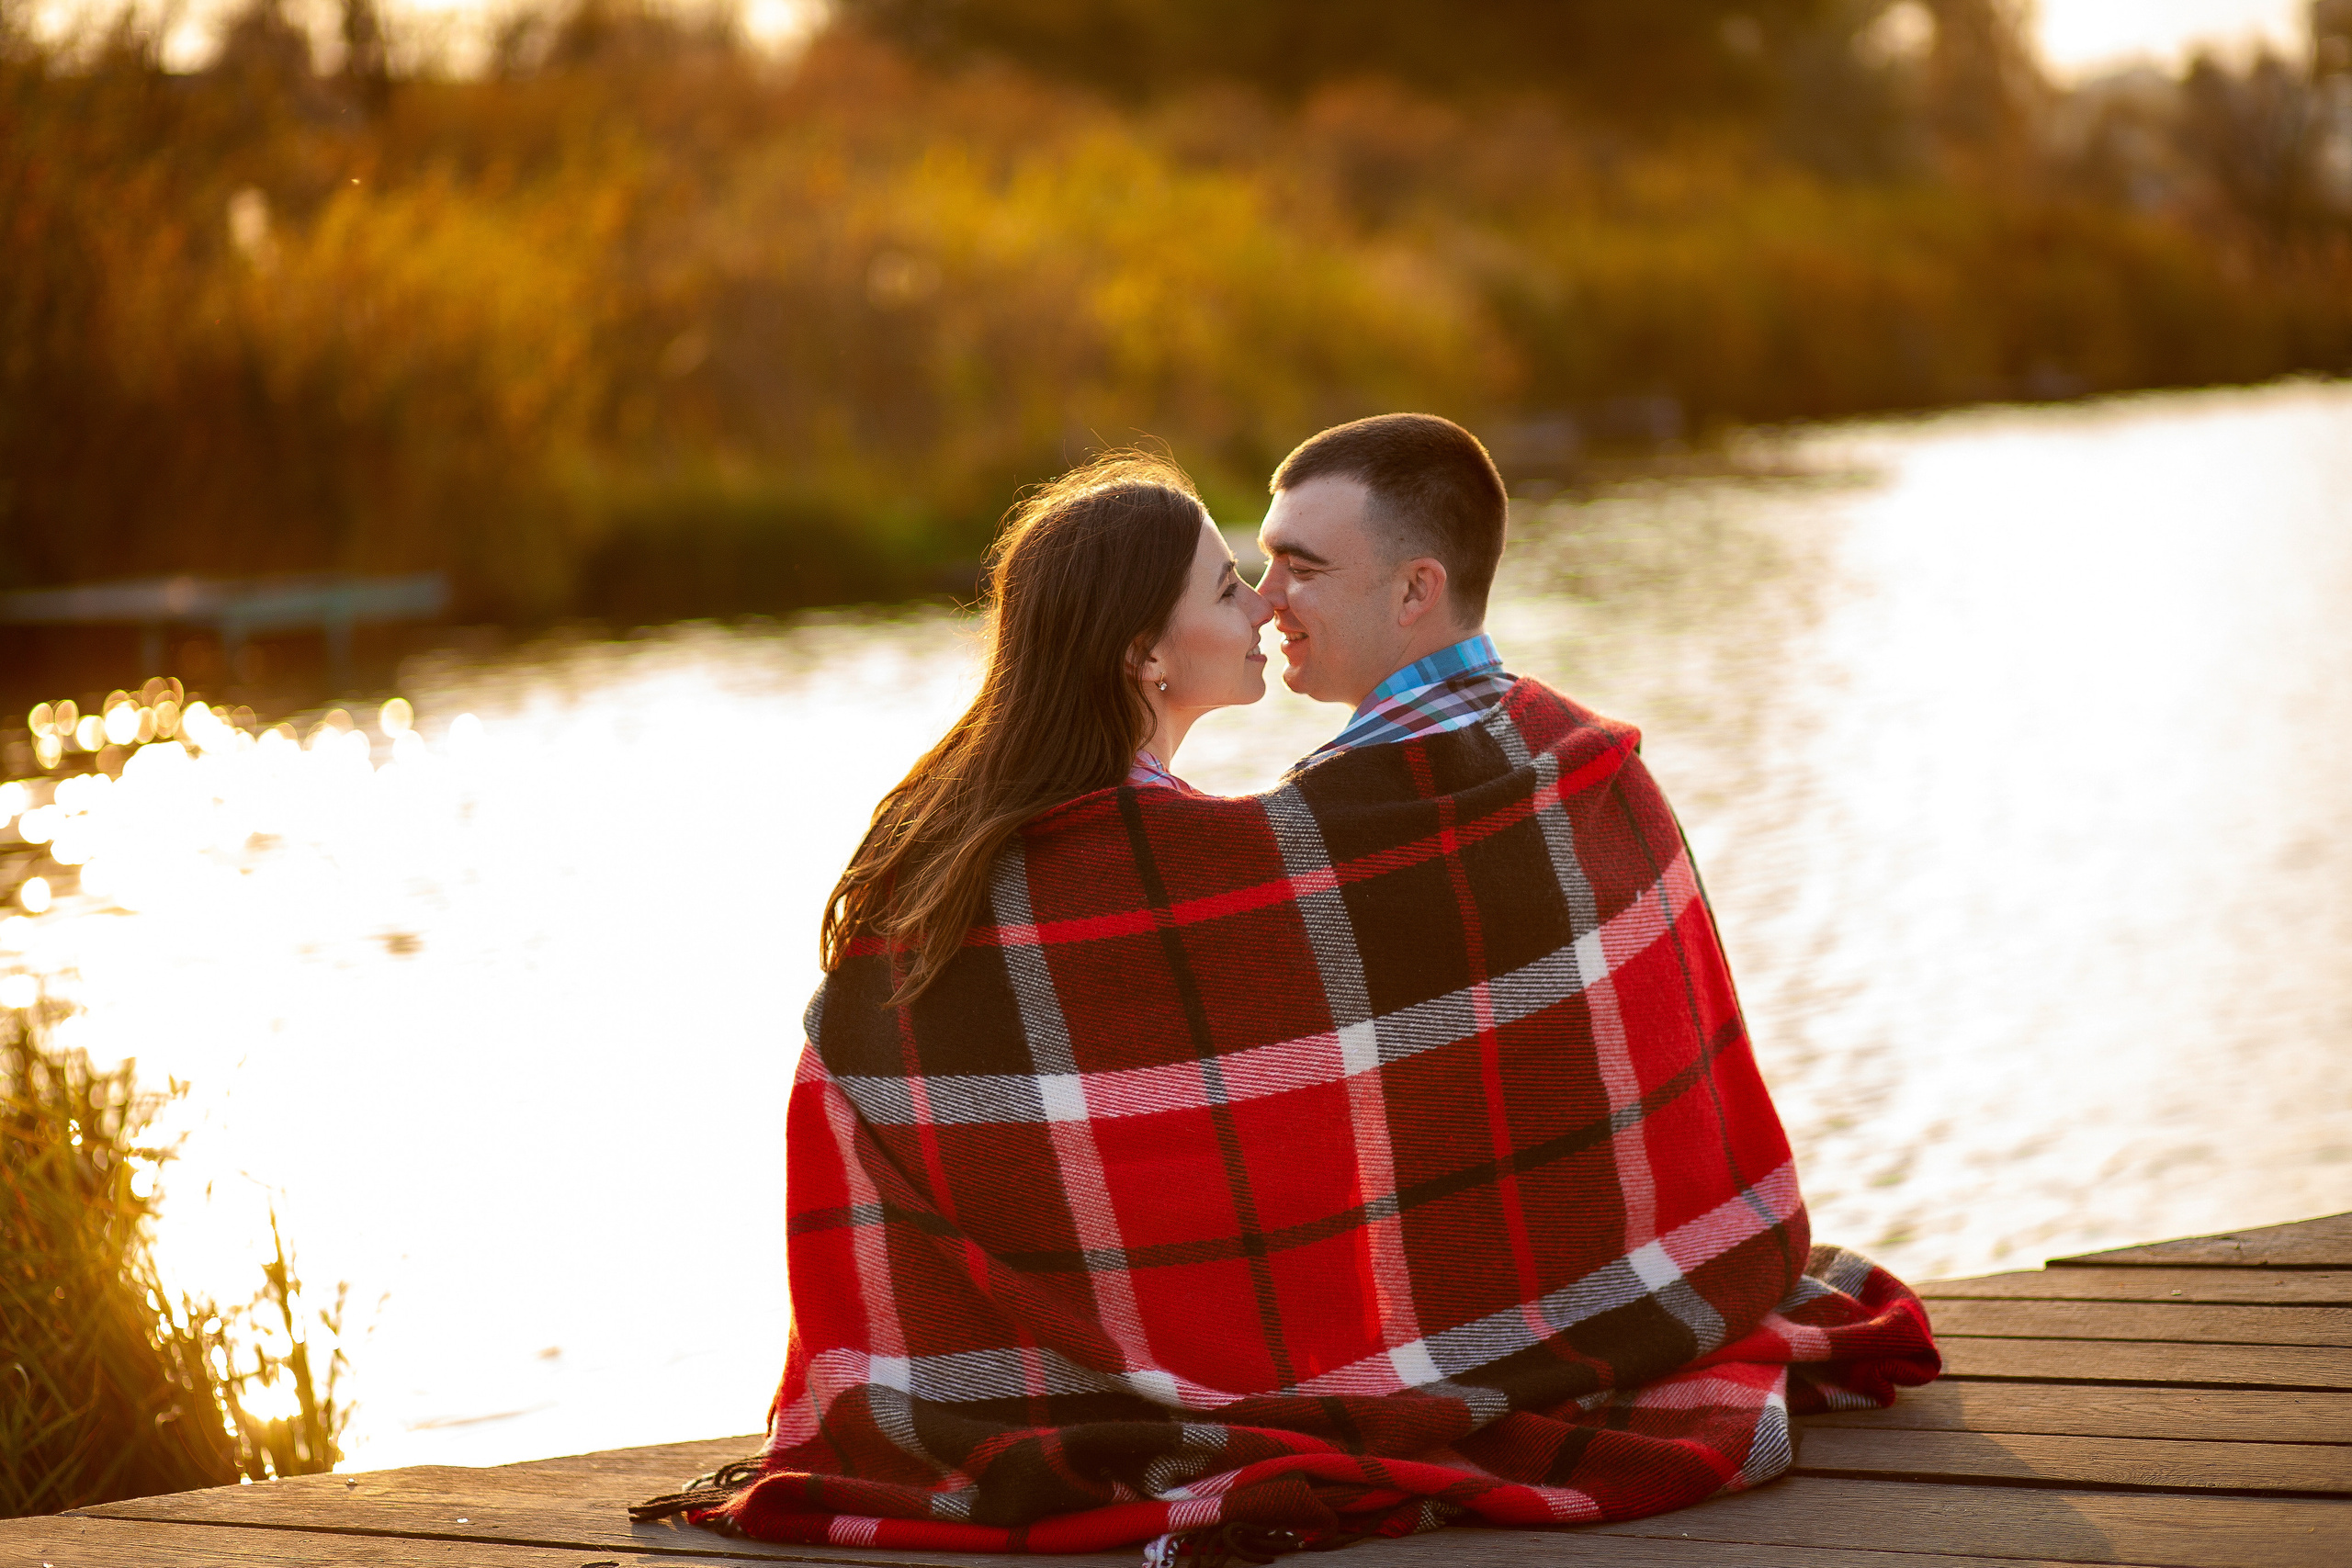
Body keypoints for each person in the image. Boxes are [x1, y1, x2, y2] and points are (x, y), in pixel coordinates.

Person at [640, 419, 1939, 1562]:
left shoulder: (1058, 828)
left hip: (972, 1353)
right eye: (1234, 581)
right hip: (1081, 1339)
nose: (1264, 604)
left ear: (1417, 585)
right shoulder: (1166, 859)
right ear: (1146, 655)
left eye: (1284, 571)